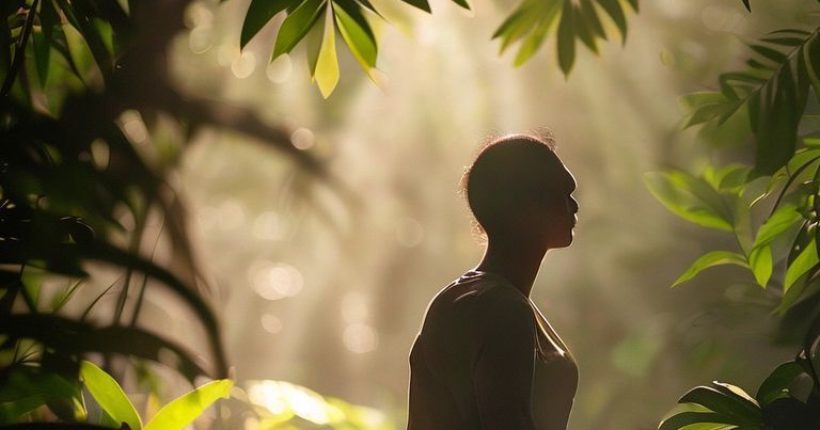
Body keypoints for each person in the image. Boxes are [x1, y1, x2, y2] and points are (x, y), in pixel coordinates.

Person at [407, 133, 579, 430]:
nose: (574, 206)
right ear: (525, 203)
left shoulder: (488, 300)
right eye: (561, 193)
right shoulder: (501, 308)